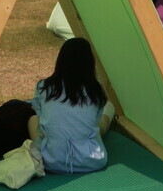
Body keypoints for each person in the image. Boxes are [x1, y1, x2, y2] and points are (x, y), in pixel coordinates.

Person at [27, 38, 114, 174]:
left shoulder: (43, 87)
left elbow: (41, 118)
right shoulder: (96, 91)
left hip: (50, 161)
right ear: (89, 62)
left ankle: (35, 152)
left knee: (33, 120)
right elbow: (95, 122)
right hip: (92, 161)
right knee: (104, 117)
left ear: (60, 60)